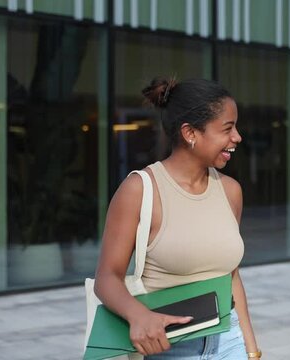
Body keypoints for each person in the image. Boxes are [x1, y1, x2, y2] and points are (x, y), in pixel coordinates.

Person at [94, 78, 261, 359]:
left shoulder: (231, 191)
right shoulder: (140, 189)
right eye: (228, 129)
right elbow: (107, 278)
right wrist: (138, 316)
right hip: (169, 346)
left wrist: (252, 351)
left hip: (230, 341)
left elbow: (231, 275)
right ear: (190, 133)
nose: (238, 138)